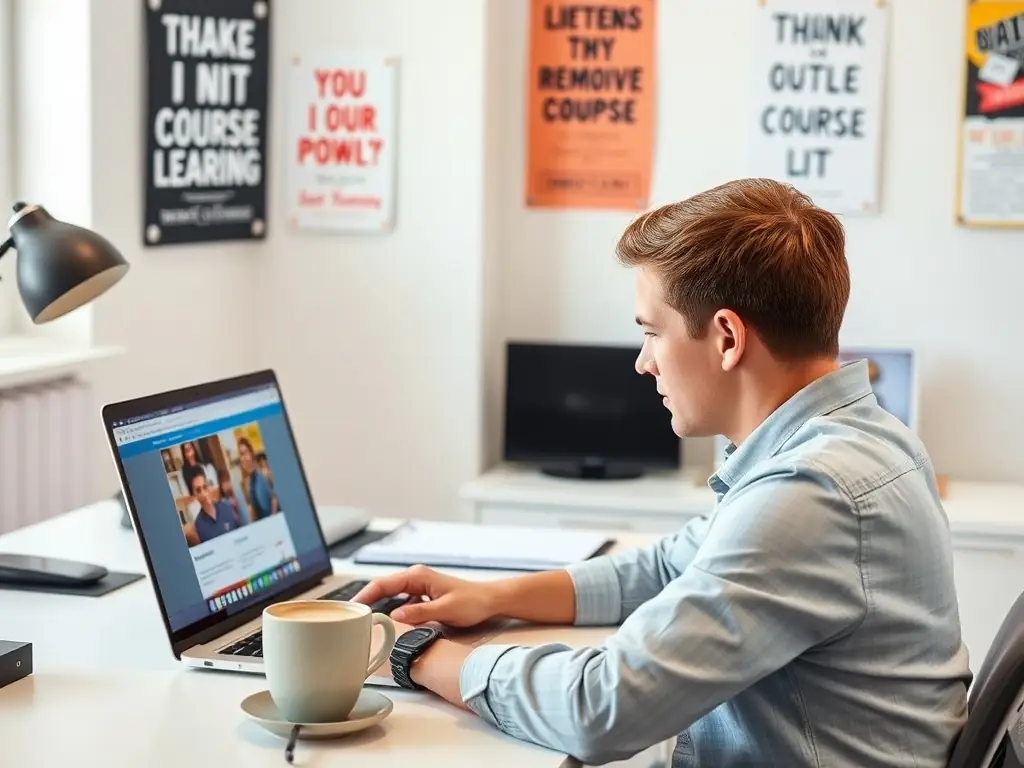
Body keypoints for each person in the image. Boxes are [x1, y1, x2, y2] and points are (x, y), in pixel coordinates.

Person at [353, 179, 972, 767]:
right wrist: (493, 597)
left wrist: (413, 654)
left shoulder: (811, 493)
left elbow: (602, 709)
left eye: (652, 332)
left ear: (728, 337)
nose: (644, 363)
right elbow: (672, 565)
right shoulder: (857, 440)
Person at [187, 469, 240, 544]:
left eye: (205, 487)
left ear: (209, 486)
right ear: (195, 495)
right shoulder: (199, 525)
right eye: (198, 490)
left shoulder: (227, 508)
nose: (204, 494)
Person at [238, 437, 278, 519]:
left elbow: (275, 498)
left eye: (245, 453)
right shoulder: (245, 483)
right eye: (241, 454)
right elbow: (252, 512)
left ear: (251, 453)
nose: (244, 458)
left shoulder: (264, 473)